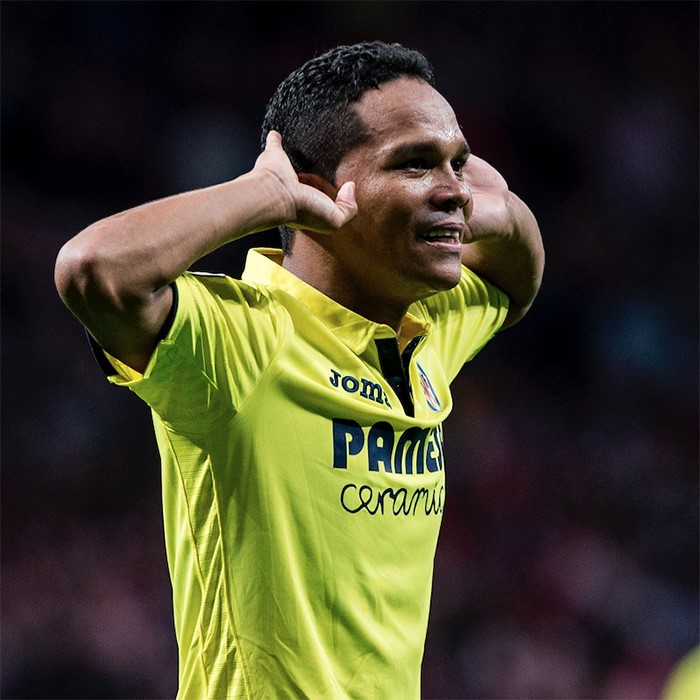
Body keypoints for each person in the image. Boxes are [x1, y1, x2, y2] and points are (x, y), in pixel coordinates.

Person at [54, 41, 544, 699]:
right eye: (414, 163)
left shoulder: (423, 330)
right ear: (317, 188)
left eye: (457, 162)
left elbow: (519, 280)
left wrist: (499, 209)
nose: (453, 188)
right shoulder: (241, 340)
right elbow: (93, 269)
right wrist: (263, 195)